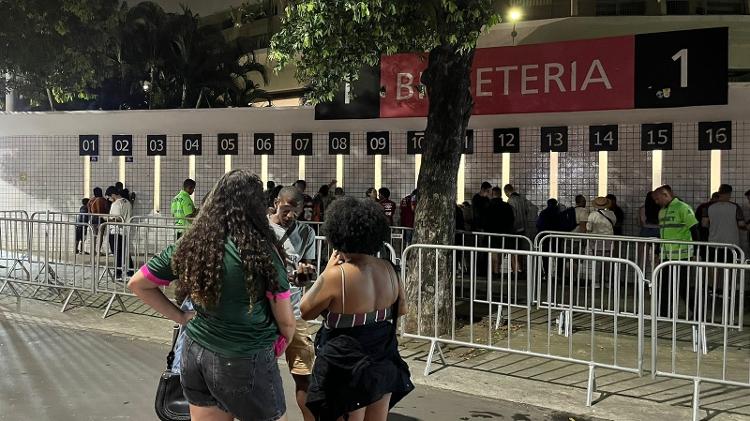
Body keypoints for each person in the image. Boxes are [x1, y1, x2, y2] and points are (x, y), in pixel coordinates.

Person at [128, 170, 295, 421]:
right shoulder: (262, 252)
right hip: (245, 356)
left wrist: (182, 317)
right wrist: (282, 343)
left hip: (196, 353)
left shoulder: (191, 245)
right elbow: (286, 321)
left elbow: (138, 284)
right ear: (256, 208)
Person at [301, 196, 414, 421]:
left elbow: (306, 310)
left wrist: (325, 271)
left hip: (344, 361)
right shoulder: (389, 268)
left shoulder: (337, 275)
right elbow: (401, 309)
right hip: (383, 355)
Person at [268, 187, 317, 421]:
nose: (290, 216)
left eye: (295, 212)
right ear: (277, 203)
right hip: (267, 314)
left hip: (295, 313)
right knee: (262, 375)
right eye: (286, 210)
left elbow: (308, 272)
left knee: (304, 375)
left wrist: (305, 274)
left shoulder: (306, 233)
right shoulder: (262, 230)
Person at [653, 185, 699, 318]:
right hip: (666, 256)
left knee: (683, 287)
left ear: (665, 194)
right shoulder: (662, 211)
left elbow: (695, 229)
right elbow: (661, 233)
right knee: (664, 286)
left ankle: (697, 313)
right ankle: (663, 314)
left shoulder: (683, 208)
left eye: (657, 199)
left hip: (682, 256)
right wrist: (657, 252)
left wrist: (697, 252)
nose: (656, 202)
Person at [703, 184, 746, 256]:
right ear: (729, 193)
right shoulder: (735, 207)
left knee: (715, 265)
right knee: (730, 266)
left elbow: (704, 224)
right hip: (732, 244)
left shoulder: (708, 207)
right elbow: (741, 224)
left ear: (719, 193)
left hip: (714, 243)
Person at [485, 187, 515, 275]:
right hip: (505, 232)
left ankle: (495, 271)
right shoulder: (507, 206)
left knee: (494, 253)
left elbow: (485, 220)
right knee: (501, 252)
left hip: (492, 233)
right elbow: (511, 219)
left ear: (492, 194)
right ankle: (498, 269)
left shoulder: (489, 206)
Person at [108, 188, 134, 278]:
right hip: (125, 231)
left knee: (117, 253)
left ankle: (118, 273)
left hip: (116, 231)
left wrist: (105, 219)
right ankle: (130, 272)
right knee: (125, 252)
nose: (109, 200)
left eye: (109, 197)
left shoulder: (116, 204)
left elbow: (117, 218)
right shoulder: (127, 202)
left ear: (113, 195)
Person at [87, 187, 109, 254]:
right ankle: (98, 250)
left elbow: (88, 211)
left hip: (93, 218)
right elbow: (107, 209)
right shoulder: (103, 200)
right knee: (100, 235)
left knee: (94, 235)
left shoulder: (90, 200)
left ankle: (92, 250)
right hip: (102, 218)